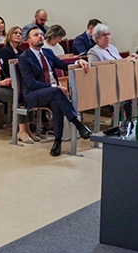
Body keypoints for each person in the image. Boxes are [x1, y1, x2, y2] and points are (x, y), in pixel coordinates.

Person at [19, 26, 92, 156]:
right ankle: (78, 124)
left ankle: (57, 142)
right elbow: (31, 83)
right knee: (56, 92)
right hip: (33, 94)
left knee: (56, 103)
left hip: (51, 94)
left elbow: (63, 64)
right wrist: (54, 87)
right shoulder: (24, 58)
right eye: (36, 35)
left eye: (41, 34)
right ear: (29, 41)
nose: (40, 36)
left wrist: (78, 61)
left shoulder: (48, 52)